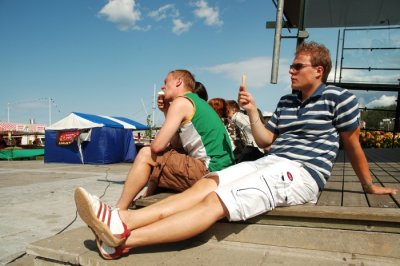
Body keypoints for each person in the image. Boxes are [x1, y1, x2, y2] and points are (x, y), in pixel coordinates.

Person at [74, 42, 398, 259]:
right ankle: (123, 217)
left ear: (319, 71)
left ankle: (124, 240)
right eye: (292, 65)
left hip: (301, 173)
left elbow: (353, 145)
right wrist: (254, 111)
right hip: (271, 160)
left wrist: (369, 185)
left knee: (217, 202)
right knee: (209, 183)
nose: (291, 70)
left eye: (298, 66)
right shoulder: (286, 102)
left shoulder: (339, 99)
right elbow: (267, 140)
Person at [115, 70, 234, 210]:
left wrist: (171, 109)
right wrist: (166, 111)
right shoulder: (197, 103)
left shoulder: (181, 102)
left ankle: (118, 211)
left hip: (210, 172)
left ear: (178, 82)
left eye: (166, 82)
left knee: (146, 154)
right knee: (167, 153)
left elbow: (156, 147)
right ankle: (144, 199)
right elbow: (177, 144)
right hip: (223, 173)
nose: (163, 87)